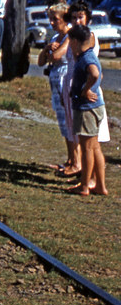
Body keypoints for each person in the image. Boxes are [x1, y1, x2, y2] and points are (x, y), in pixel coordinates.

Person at [67, 24, 109, 196]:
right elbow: (100, 74)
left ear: (76, 42)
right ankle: (100, 185)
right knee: (95, 147)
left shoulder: (86, 58)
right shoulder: (90, 55)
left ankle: (85, 185)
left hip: (87, 109)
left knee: (87, 148)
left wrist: (85, 90)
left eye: (70, 41)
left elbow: (95, 74)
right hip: (95, 107)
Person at [37, 1, 77, 177]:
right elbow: (40, 61)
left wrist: (52, 52)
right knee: (63, 123)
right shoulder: (54, 38)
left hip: (65, 81)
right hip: (55, 82)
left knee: (70, 123)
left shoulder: (70, 36)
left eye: (55, 19)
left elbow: (58, 56)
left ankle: (76, 161)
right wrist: (46, 48)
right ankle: (70, 158)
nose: (52, 23)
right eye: (50, 19)